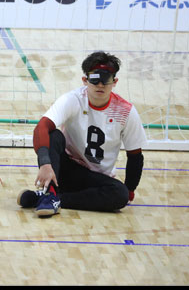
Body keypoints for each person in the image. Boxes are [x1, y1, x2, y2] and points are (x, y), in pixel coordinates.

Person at [18, 51, 146, 217]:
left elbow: (135, 155)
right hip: (65, 170)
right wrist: (45, 163)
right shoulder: (73, 99)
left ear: (114, 82)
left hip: (96, 180)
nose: (100, 85)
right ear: (85, 80)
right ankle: (51, 193)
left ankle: (49, 198)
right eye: (95, 79)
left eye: (106, 79)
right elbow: (41, 128)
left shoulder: (126, 111)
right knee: (53, 135)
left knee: (119, 195)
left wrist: (129, 190)